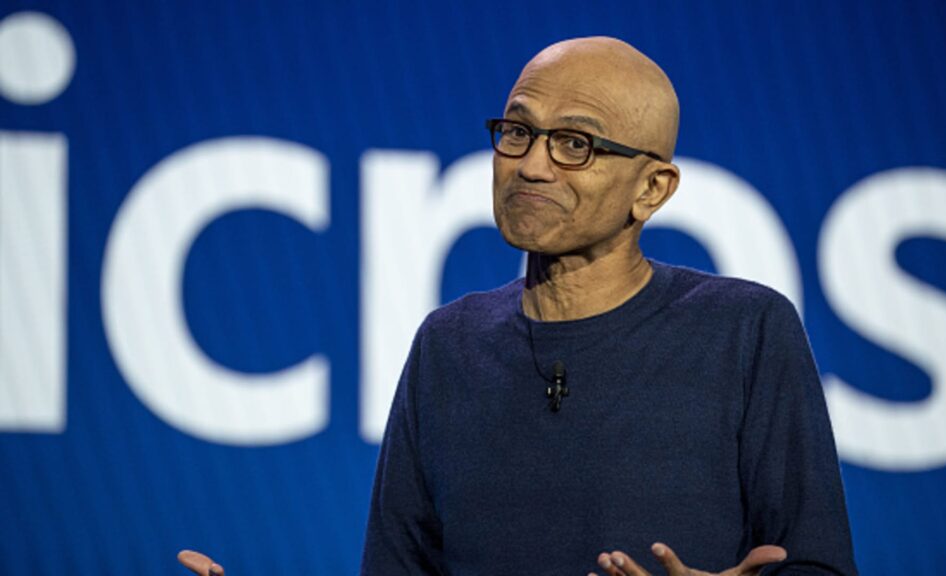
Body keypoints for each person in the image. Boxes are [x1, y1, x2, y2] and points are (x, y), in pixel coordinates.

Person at [181, 36, 858, 576]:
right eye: (518, 131)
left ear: (651, 189)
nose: (531, 166)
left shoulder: (743, 331)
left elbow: (818, 564)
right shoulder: (449, 344)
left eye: (575, 144)